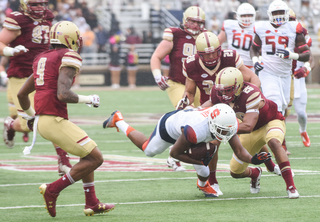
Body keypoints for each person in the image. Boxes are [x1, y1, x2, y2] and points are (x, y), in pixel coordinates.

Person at [17, 21, 115, 217]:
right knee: (96, 158)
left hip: (45, 121)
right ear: (70, 38)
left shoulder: (41, 57)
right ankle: (53, 189)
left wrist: (30, 117)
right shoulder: (68, 55)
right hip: (54, 120)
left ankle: (92, 202)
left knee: (87, 153)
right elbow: (63, 94)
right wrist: (89, 99)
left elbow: (21, 94)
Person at [103, 104, 271, 197]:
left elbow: (240, 151)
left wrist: (254, 160)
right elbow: (174, 154)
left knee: (204, 172)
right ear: (213, 123)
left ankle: (203, 185)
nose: (225, 134)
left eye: (227, 130)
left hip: (190, 125)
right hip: (170, 127)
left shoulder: (226, 122)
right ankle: (119, 121)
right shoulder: (195, 130)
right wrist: (199, 160)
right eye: (222, 130)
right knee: (148, 150)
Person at [179, 31, 261, 195]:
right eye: (206, 54)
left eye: (213, 53)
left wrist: (252, 98)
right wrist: (184, 101)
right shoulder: (191, 64)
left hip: (233, 105)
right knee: (210, 145)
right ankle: (212, 181)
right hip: (210, 107)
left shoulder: (230, 58)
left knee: (248, 139)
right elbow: (189, 91)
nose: (210, 57)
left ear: (220, 49)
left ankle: (264, 168)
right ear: (199, 54)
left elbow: (252, 78)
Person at [202, 67, 299, 199]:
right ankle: (255, 173)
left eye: (228, 90)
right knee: (235, 172)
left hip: (271, 121)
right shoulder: (218, 92)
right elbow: (209, 105)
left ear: (238, 87)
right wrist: (192, 112)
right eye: (221, 91)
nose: (223, 94)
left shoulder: (251, 93)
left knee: (274, 142)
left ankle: (291, 187)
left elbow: (247, 126)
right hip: (253, 131)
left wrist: (224, 128)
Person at [1, 0, 72, 176]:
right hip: (21, 74)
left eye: (42, 3)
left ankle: (63, 160)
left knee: (54, 114)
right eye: (35, 4)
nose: (40, 7)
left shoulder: (48, 17)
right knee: (29, 123)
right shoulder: (17, 19)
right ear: (25, 4)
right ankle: (10, 124)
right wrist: (11, 51)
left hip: (41, 72)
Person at [150, 6, 206, 171]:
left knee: (202, 121)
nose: (195, 25)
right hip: (177, 83)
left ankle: (176, 154)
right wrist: (157, 75)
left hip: (198, 85)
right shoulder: (174, 34)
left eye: (199, 22)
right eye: (192, 21)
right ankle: (174, 156)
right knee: (187, 115)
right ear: (184, 20)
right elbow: (156, 56)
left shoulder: (207, 37)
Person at [250, 0, 310, 155]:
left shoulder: (293, 28)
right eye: (275, 13)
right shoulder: (262, 27)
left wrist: (292, 55)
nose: (278, 16)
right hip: (267, 72)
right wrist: (256, 61)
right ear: (270, 14)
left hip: (285, 75)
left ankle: (275, 139)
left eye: (280, 13)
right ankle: (276, 144)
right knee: (275, 104)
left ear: (286, 14)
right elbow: (254, 49)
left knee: (282, 110)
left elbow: (307, 54)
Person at [288, 9, 314, 147]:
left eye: (291, 20)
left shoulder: (301, 33)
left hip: (297, 80)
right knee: (279, 114)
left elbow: (311, 59)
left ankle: (303, 130)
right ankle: (281, 143)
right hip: (281, 78)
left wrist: (306, 69)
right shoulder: (274, 35)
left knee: (301, 114)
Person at [218, 2, 256, 71]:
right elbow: (217, 42)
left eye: (249, 15)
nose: (246, 18)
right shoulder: (229, 25)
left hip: (249, 66)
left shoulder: (257, 27)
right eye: (244, 15)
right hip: (231, 64)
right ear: (238, 15)